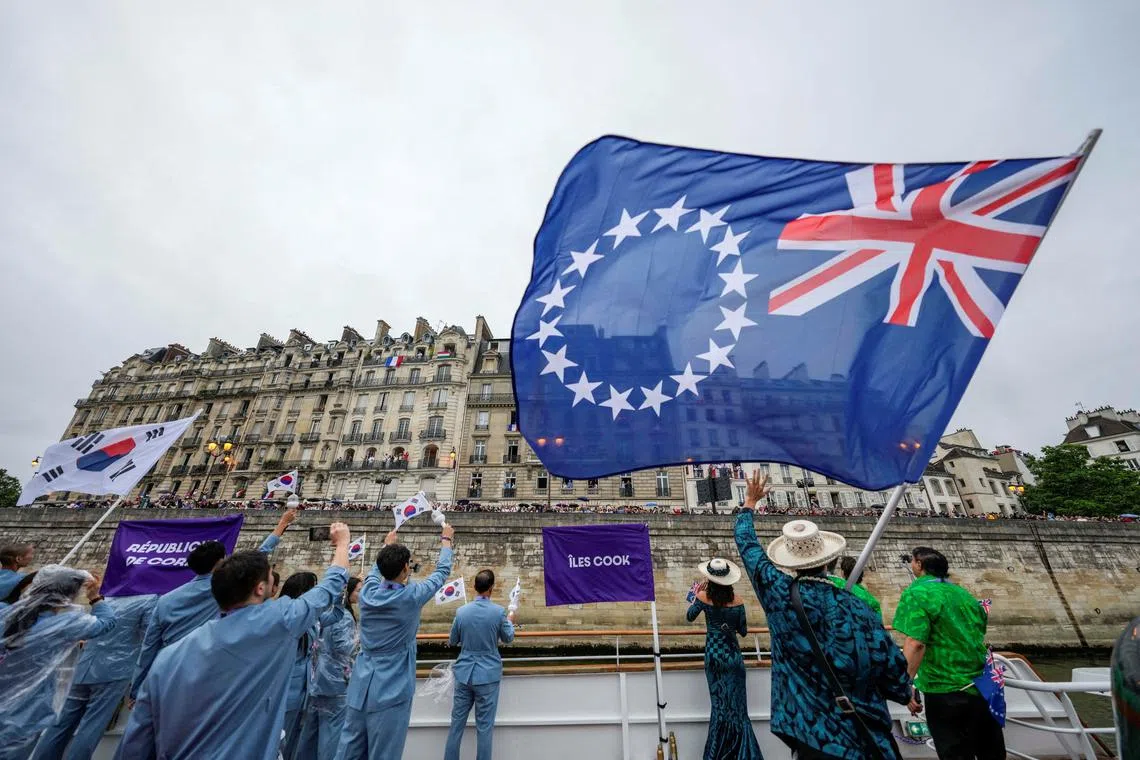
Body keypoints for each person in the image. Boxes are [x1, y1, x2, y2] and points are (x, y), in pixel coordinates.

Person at [114, 522, 351, 760]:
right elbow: (328, 588)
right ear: (260, 588)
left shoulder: (168, 657)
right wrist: (342, 544)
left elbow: (136, 743)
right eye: (270, 577)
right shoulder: (278, 623)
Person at [734, 471, 911, 760]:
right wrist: (904, 692)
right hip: (862, 734)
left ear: (790, 563)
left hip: (810, 732)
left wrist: (749, 504)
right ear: (831, 559)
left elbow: (748, 546)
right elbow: (891, 668)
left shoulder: (778, 594)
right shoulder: (859, 606)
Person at [128, 507, 296, 702]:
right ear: (219, 563)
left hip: (167, 671)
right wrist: (282, 524)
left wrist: (137, 687)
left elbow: (149, 647)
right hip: (206, 669)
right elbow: (260, 554)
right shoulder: (221, 585)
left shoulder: (165, 600)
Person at [337, 521, 455, 760]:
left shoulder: (368, 593)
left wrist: (386, 545)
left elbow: (373, 572)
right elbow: (442, 573)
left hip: (361, 684)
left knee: (348, 750)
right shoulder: (411, 596)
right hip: (391, 688)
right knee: (385, 753)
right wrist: (446, 540)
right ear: (405, 568)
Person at [893, 547, 1003, 760]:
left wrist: (905, 685)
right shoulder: (963, 594)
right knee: (990, 751)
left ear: (919, 565)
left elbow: (916, 643)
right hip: (982, 685)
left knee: (954, 752)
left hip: (944, 688)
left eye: (913, 561)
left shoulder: (917, 593)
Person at [0, 566, 117, 760]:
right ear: (68, 596)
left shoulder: (7, 613)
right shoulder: (64, 625)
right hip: (27, 709)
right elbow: (107, 623)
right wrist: (95, 597)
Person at [31, 593, 157, 760]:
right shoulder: (150, 600)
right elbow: (149, 640)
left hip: (85, 665)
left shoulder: (108, 597)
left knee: (60, 724)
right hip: (115, 671)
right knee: (92, 726)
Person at [686, 558, 762, 760]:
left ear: (710, 579)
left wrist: (693, 593)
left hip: (714, 656)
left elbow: (689, 616)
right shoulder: (738, 602)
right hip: (733, 656)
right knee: (738, 708)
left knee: (719, 707)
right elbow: (743, 631)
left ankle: (717, 754)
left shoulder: (702, 597)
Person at [444, 568, 516, 760]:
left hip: (464, 672)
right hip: (488, 674)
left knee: (456, 725)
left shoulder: (461, 612)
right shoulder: (499, 612)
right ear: (491, 588)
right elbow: (508, 638)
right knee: (484, 728)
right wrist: (510, 619)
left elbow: (452, 640)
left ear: (474, 587)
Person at [296, 576, 361, 760]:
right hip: (336, 682)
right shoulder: (344, 616)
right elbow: (344, 647)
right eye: (357, 590)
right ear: (347, 594)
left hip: (319, 678)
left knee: (310, 735)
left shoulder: (326, 612)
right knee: (331, 736)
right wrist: (362, 638)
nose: (360, 594)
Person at [279, 571, 319, 759]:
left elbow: (332, 616)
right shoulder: (285, 618)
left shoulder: (310, 617)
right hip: (286, 691)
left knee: (294, 743)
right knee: (280, 743)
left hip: (304, 690)